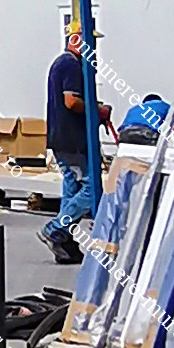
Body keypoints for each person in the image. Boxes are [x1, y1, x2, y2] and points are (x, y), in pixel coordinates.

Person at [42, 18, 104, 263]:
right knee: (91, 188)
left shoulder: (62, 63)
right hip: (72, 140)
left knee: (72, 189)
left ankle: (63, 240)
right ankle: (56, 228)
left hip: (61, 138)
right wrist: (97, 111)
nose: (94, 47)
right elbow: (71, 101)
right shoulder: (71, 65)